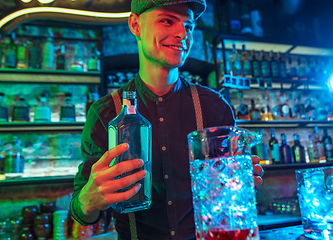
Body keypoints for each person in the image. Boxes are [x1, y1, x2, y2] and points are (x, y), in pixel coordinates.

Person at [70, 0, 264, 239]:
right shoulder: (105, 113)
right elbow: (83, 212)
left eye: (189, 26)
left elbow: (229, 196)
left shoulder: (214, 107)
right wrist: (88, 201)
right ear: (135, 25)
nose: (183, 34)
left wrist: (240, 184)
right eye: (167, 20)